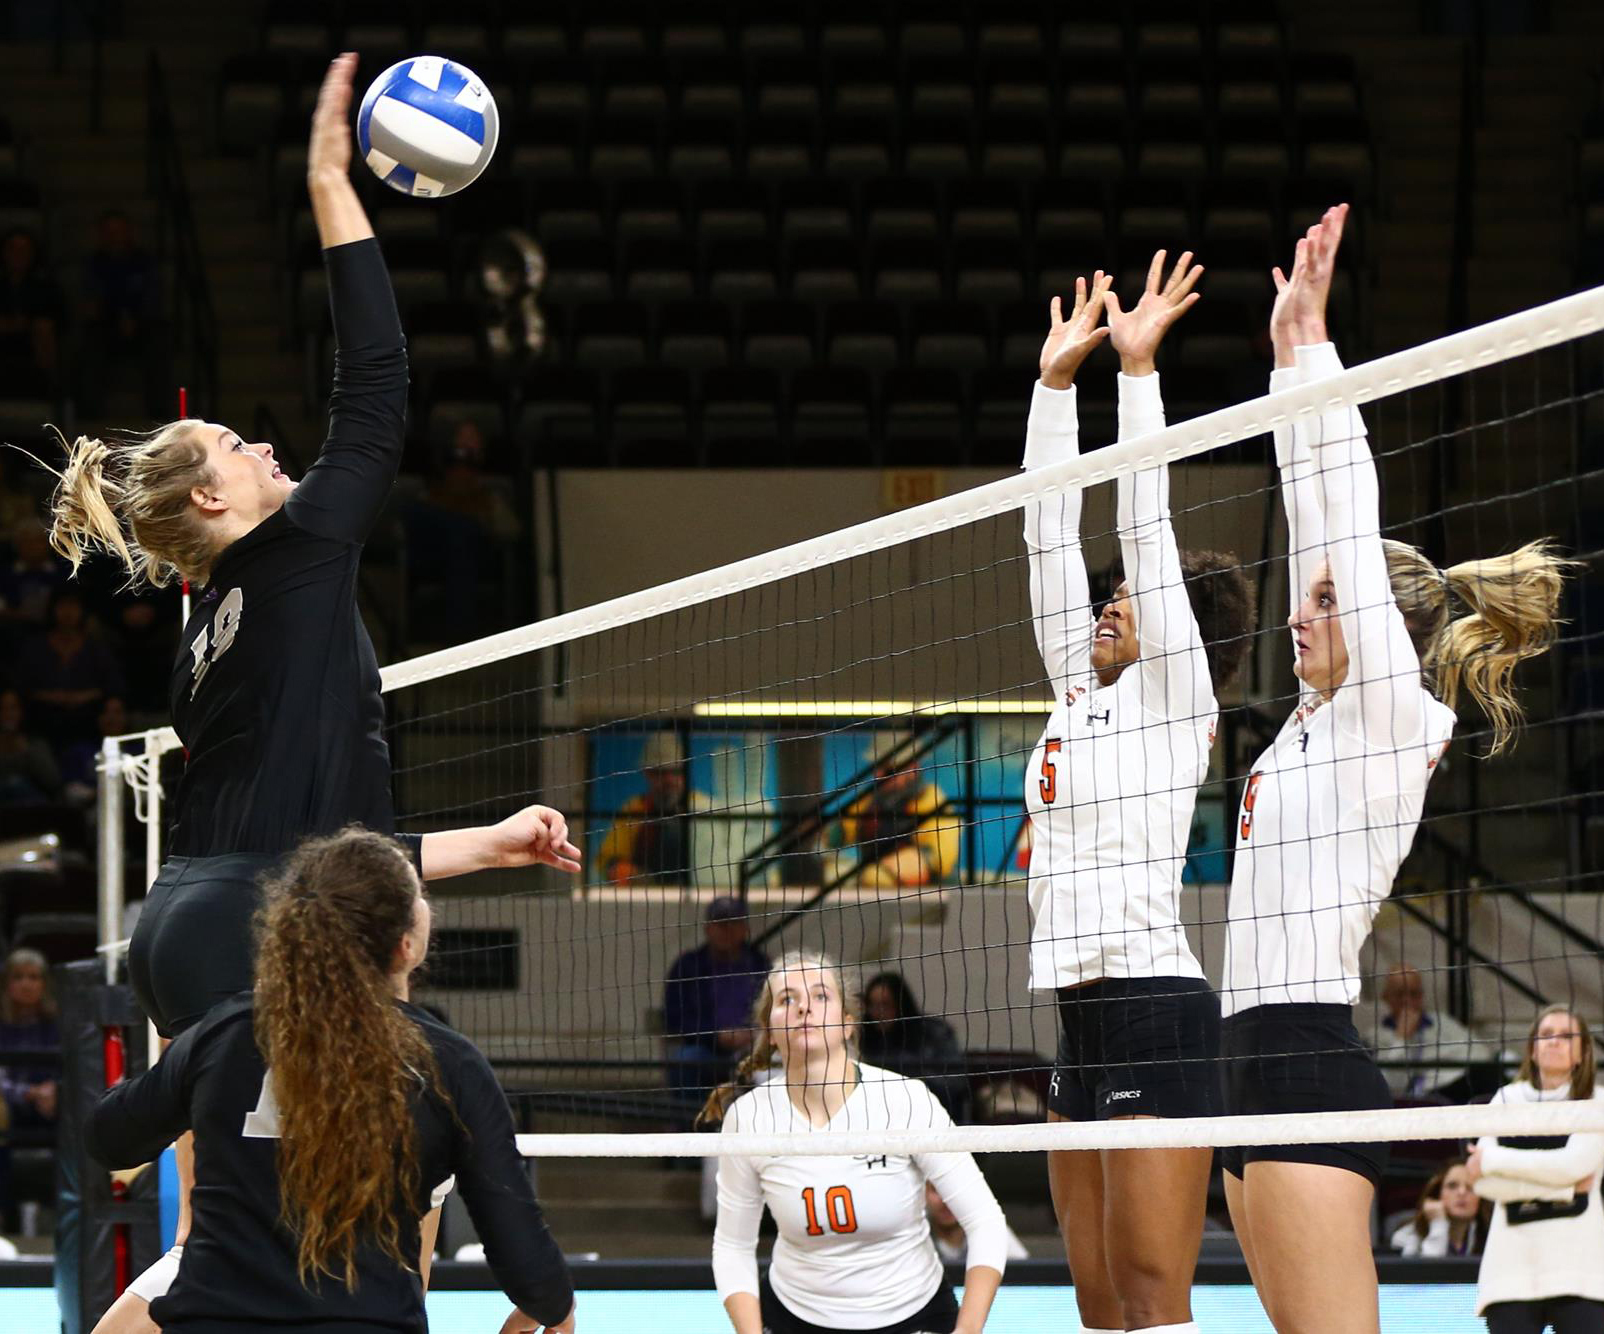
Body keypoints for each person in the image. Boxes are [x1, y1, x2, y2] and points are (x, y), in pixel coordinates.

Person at [46, 56, 586, 1331]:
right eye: (242, 446)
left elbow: (323, 848)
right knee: (384, 1178)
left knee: (253, 1218)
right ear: (212, 503)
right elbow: (378, 390)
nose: (266, 449)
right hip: (254, 923)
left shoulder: (205, 633)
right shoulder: (289, 557)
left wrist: (489, 844)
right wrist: (333, 189)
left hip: (200, 917)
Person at [1221, 204, 1573, 1334]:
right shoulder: (1303, 723)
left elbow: (1342, 500)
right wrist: (1281, 366)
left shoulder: (1392, 713)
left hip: (1304, 1056)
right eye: (1307, 591)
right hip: (1234, 1058)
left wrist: (1317, 350)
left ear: (1382, 627)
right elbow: (1309, 511)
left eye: (1329, 599)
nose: (1301, 611)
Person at [1020, 253, 1257, 1334]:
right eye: (1108, 596)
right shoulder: (1078, 689)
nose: (1111, 600)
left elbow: (1142, 531)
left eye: (1128, 598)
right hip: (1076, 1013)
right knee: (1095, 1302)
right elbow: (1042, 534)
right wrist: (1052, 389)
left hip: (1153, 1004)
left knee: (1155, 1298)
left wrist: (1136, 373)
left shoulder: (1177, 697)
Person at [84, 827, 576, 1333]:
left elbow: (109, 1138)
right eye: (420, 896)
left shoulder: (226, 1033)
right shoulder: (449, 1064)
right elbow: (520, 1244)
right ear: (406, 946)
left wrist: (184, 1073)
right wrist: (551, 1304)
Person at [704, 951, 1009, 1334]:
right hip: (794, 1314)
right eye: (787, 999)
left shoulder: (904, 1099)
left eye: (820, 996)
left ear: (849, 1024)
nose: (803, 1008)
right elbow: (733, 1246)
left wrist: (967, 1331)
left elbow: (985, 1221)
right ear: (770, 1029)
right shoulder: (749, 1117)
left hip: (913, 1314)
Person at [1470, 1006, 1604, 1332]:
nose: (1554, 1042)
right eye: (1546, 1035)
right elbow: (1483, 1183)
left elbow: (1574, 1164)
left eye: (1566, 1036)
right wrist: (1566, 1189)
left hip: (1579, 1267)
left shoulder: (1596, 1101)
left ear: (1582, 1053)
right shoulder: (1506, 1098)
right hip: (1510, 1268)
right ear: (1532, 1048)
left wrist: (1491, 1160)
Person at [662, 896, 769, 1109]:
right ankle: (691, 1127)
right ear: (708, 928)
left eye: (734, 923)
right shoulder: (687, 967)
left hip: (753, 1045)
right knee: (685, 1059)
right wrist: (716, 1036)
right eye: (720, 923)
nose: (727, 930)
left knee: (776, 1065)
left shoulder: (761, 964)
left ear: (745, 929)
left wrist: (755, 1034)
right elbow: (675, 1018)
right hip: (705, 1048)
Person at [831, 734, 959, 890]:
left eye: (888, 770)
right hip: (873, 889)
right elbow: (841, 830)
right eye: (876, 767)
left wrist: (884, 871)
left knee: (877, 878)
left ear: (912, 768)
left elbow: (939, 856)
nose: (879, 775)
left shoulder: (931, 801)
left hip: (922, 893)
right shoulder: (869, 800)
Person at [77, 210, 167, 417]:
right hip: (106, 325)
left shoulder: (144, 262)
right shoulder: (94, 263)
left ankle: (158, 413)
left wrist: (135, 318)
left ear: (129, 233)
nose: (115, 237)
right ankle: (89, 411)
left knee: (158, 341)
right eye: (109, 232)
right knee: (90, 342)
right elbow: (91, 299)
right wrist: (115, 317)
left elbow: (153, 296)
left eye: (119, 231)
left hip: (142, 324)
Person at [13, 586, 125, 747]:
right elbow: (22, 687)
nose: (68, 612)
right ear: (52, 609)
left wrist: (82, 697)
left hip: (88, 721)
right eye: (62, 606)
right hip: (42, 721)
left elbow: (113, 685)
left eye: (73, 606)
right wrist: (52, 697)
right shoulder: (35, 648)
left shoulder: (94, 648)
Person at [1367, 963, 1495, 1100]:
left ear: (1422, 995)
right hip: (1420, 1095)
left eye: (1414, 994)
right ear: (1386, 997)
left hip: (1455, 1084)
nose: (1407, 1000)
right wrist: (1401, 1038)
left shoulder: (1442, 1022)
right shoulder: (1375, 1036)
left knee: (1491, 1071)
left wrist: (1436, 1060)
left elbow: (1481, 1054)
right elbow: (1391, 1085)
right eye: (1400, 994)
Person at [599, 731, 710, 885]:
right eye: (661, 773)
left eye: (675, 772)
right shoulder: (636, 808)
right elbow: (610, 858)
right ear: (647, 774)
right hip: (646, 894)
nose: (669, 780)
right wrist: (623, 870)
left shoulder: (702, 806)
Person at [0, 947, 59, 1231]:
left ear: (44, 984)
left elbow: (73, 1069)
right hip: (9, 1109)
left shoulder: (58, 1025)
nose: (26, 984)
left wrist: (56, 1090)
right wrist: (26, 1093)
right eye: (19, 977)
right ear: (7, 984)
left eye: (34, 977)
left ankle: (61, 1218)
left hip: (52, 1109)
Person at [859, 971, 968, 1121]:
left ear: (900, 1005)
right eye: (872, 1005)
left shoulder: (934, 1033)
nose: (878, 1013)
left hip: (931, 1115)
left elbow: (955, 1082)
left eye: (885, 1005)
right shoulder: (863, 1037)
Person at [0, 229, 62, 393]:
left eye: (24, 250)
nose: (18, 255)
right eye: (13, 249)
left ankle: (51, 392)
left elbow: (58, 318)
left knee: (43, 330)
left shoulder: (46, 286)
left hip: (33, 345)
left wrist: (26, 324)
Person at [1390, 1159, 1487, 1257]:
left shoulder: (1488, 1236)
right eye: (1452, 1186)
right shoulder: (1406, 1237)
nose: (1462, 1192)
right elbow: (1430, 1271)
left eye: (1470, 1187)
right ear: (1437, 1195)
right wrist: (1438, 1224)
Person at [925, 1181, 1029, 1269]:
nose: (946, 1200)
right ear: (923, 1192)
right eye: (936, 1190)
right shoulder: (915, 1231)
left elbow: (1023, 1273)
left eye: (955, 1191)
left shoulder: (990, 1226)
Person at [0, 688, 63, 805]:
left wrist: (27, 752)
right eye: (3, 709)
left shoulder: (35, 744)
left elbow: (53, 781)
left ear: (21, 711)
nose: (8, 714)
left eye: (13, 708)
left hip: (31, 807)